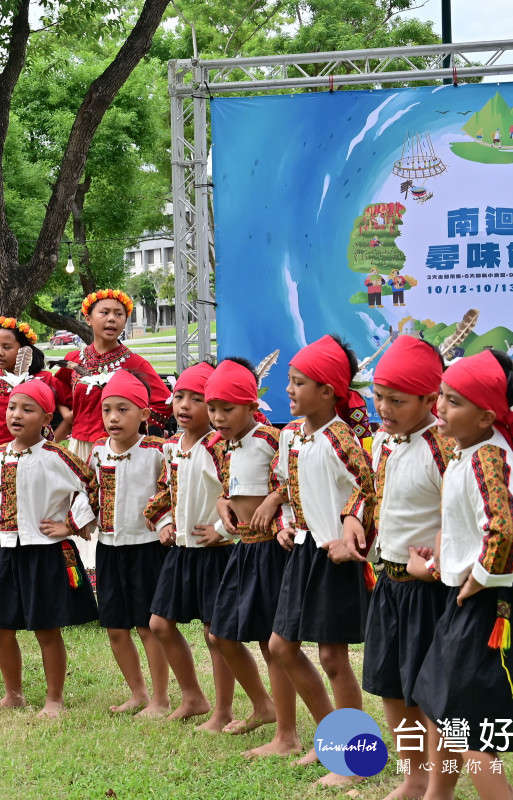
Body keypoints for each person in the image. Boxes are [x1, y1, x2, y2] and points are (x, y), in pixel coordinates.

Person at [411, 350, 513, 800]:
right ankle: (437, 795)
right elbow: (471, 527)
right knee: (446, 711)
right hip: (470, 597)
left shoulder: (488, 460)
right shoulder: (470, 452)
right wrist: (442, 563)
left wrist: (475, 577)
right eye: (441, 395)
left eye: (453, 401)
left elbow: (506, 530)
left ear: (485, 417)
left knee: (474, 728)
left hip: (490, 606)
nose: (440, 406)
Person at [256, 334, 376, 788]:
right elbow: (292, 486)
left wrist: (351, 532)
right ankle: (334, 740)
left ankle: (353, 756)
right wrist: (286, 521)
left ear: (328, 391)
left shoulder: (342, 436)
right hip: (302, 551)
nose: (289, 389)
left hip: (334, 556)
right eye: (288, 380)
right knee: (281, 646)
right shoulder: (293, 435)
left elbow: (368, 488)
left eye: (299, 381)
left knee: (332, 657)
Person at [342, 336, 454, 799]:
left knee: (433, 695)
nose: (383, 408)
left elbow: (462, 513)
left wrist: (440, 561)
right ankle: (412, 776)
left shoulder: (445, 447)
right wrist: (352, 517)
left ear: (432, 399)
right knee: (392, 687)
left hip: (432, 590)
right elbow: (369, 487)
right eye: (379, 396)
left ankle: (436, 786)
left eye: (397, 400)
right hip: (389, 583)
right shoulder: (384, 440)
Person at [0, 379, 98, 719]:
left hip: (46, 552)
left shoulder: (56, 456)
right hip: (9, 551)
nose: (16, 415)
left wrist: (71, 524)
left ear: (47, 418)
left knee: (45, 626)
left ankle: (54, 700)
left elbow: (91, 488)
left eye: (28, 409)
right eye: (11, 408)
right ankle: (13, 694)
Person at [203, 358, 299, 756]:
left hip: (271, 551)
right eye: (213, 408)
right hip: (244, 549)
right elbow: (233, 488)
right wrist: (225, 503)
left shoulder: (270, 438)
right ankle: (264, 706)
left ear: (250, 406)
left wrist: (275, 499)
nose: (218, 417)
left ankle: (287, 736)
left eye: (228, 408)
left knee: (268, 641)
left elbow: (294, 477)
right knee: (220, 635)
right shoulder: (228, 445)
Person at [144, 362, 235, 732]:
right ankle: (193, 696)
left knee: (216, 635)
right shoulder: (171, 447)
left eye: (197, 399)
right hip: (181, 550)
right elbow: (165, 491)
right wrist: (164, 522)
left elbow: (235, 495)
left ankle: (223, 710)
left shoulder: (219, 447)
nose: (184, 405)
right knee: (159, 623)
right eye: (179, 396)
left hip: (214, 552)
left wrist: (220, 531)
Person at [55, 290, 171, 572]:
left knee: (116, 509)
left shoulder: (134, 363)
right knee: (78, 504)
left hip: (120, 449)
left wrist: (140, 425)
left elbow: (162, 403)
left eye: (119, 314)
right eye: (104, 312)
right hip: (81, 448)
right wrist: (68, 415)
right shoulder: (73, 359)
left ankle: (108, 568)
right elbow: (56, 393)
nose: (111, 319)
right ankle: (80, 572)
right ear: (88, 318)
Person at [86, 371, 171, 717]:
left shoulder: (157, 451)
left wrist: (164, 521)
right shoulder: (98, 452)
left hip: (146, 547)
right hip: (109, 547)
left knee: (146, 625)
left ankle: (161, 699)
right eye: (107, 410)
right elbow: (91, 493)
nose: (113, 418)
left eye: (123, 409)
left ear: (145, 415)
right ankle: (137, 693)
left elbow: (169, 491)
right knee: (115, 626)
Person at [0, 317, 68, 452]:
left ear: (24, 349)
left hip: (36, 457)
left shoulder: (44, 380)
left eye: (6, 347)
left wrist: (57, 437)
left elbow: (77, 406)